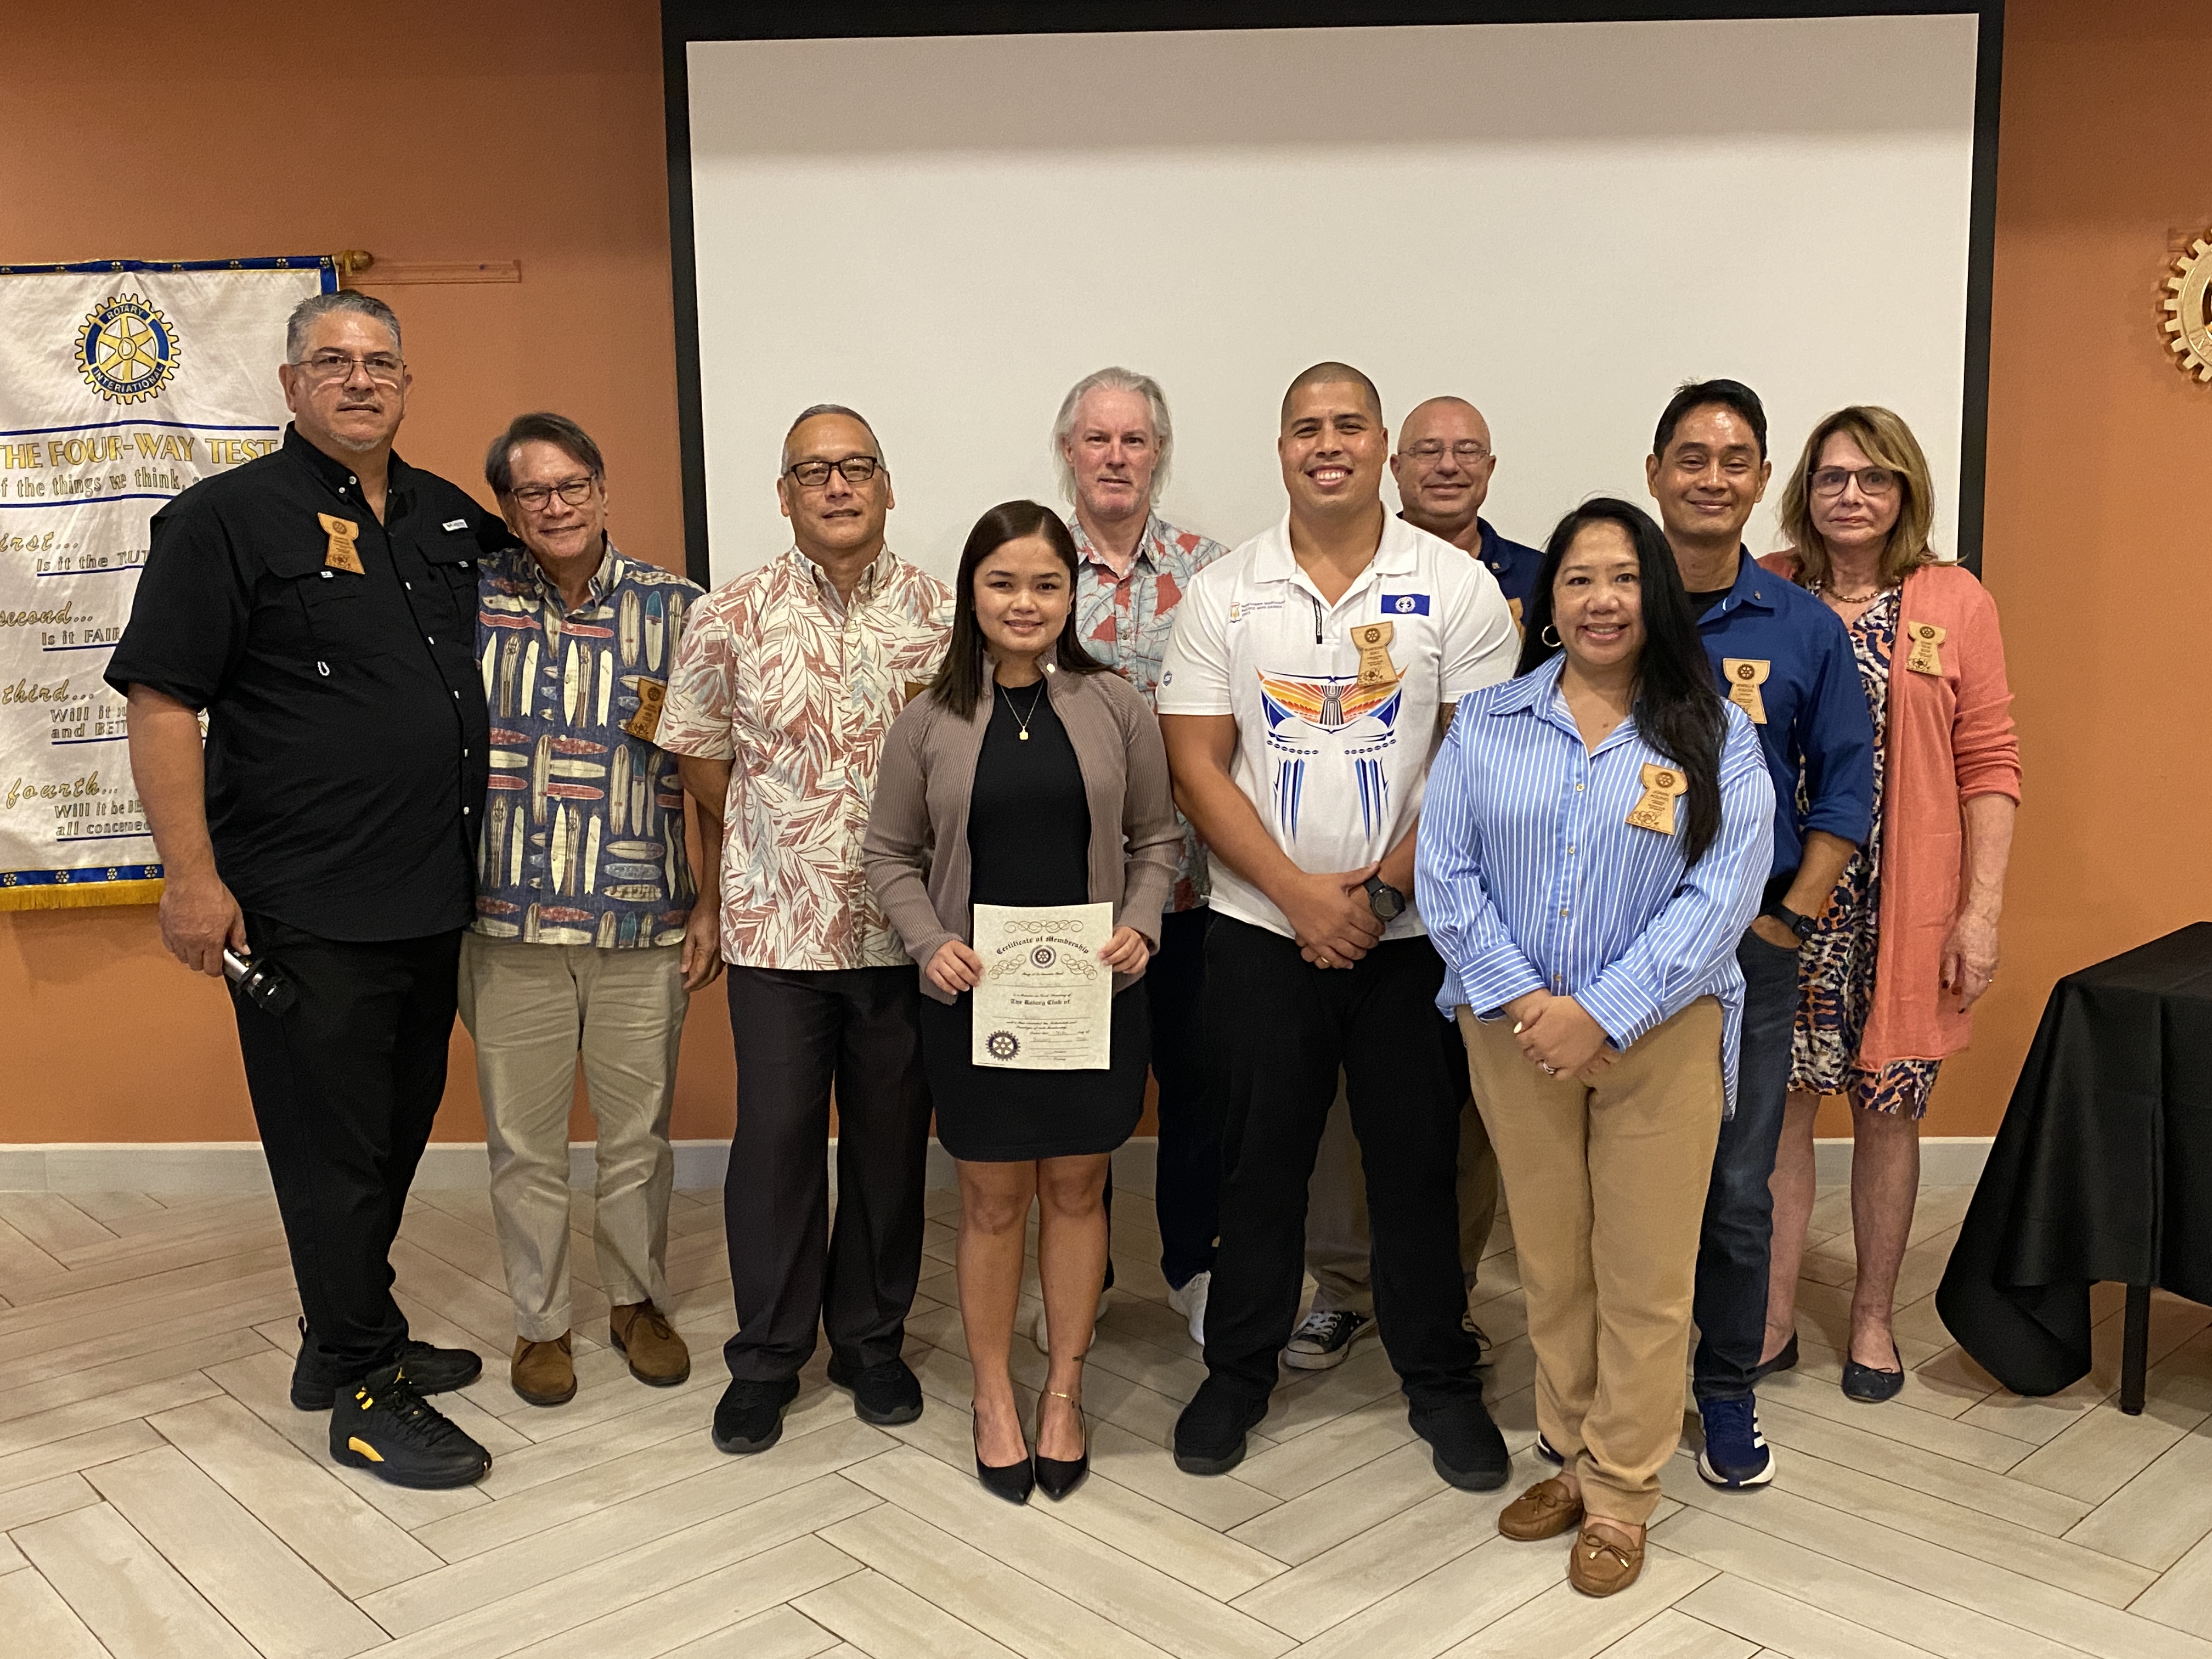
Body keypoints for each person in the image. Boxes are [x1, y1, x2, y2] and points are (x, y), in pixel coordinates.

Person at [109, 289, 504, 1488]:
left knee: (388, 1138)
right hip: (301, 906)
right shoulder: (225, 521)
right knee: (327, 1152)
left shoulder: (444, 518)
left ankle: (339, 1341)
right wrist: (192, 878)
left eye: (381, 361)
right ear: (289, 385)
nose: (360, 380)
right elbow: (164, 701)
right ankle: (367, 1393)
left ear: (406, 382)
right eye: (331, 361)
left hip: (432, 898)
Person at [1159, 362, 1519, 1488]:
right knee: (1259, 1161)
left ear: (1382, 449)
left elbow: (1477, 759)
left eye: (1349, 425)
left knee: (1415, 1166)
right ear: (1282, 451)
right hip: (1261, 930)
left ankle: (1437, 1374)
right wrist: (1304, 898)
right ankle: (1240, 1367)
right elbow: (1195, 767)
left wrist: (1376, 897)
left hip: (1412, 940)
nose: (1329, 443)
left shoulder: (1454, 588)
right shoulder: (1224, 592)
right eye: (1307, 427)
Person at [1421, 498, 1773, 1597]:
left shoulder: (1715, 732)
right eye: (1579, 579)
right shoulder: (1487, 725)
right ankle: (1570, 1454)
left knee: (1647, 1270)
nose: (1601, 599)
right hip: (1514, 1029)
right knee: (1553, 1257)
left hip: (1660, 1035)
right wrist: (1530, 1000)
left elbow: (1724, 896)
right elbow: (1447, 875)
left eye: (1624, 578)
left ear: (1655, 595)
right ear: (1550, 602)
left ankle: (1624, 1486)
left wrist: (1603, 1010)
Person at [865, 500, 1179, 1504]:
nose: (1025, 602)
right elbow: (889, 855)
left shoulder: (1116, 705)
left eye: (1047, 584)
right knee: (995, 1203)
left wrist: (1141, 921)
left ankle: (1065, 1393)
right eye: (1003, 582)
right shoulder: (928, 717)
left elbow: (1158, 841)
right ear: (972, 594)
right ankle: (995, 1394)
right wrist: (930, 945)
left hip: (1095, 997)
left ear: (1071, 596)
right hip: (975, 999)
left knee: (1080, 1193)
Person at [660, 404, 951, 1457]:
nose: (837, 486)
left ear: (886, 485)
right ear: (783, 495)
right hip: (777, 934)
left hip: (906, 939)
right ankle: (770, 1356)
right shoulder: (726, 615)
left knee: (887, 1149)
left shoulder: (943, 614)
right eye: (813, 471)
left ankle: (871, 1342)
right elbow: (701, 757)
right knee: (776, 1147)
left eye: (857, 467)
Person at [1760, 406, 2019, 1402]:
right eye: (1832, 478)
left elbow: (1990, 763)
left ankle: (1871, 1317)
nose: (1852, 495)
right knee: (1778, 1115)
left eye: (1873, 478)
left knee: (1890, 1115)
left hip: (1905, 912)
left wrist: (1980, 911)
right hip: (1790, 907)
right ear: (1806, 492)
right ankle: (1775, 1314)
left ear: (1906, 489)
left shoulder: (1955, 599)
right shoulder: (1770, 587)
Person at [1642, 379, 1874, 1486]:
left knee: (1738, 1184)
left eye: (1735, 460)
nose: (1712, 477)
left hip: (1750, 948)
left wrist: (1788, 921)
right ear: (1655, 474)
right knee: (1623, 1179)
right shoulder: (1605, 598)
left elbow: (1842, 796)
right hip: (1618, 945)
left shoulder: (1803, 629)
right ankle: (1610, 1390)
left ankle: (1725, 1389)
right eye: (1691, 457)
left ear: (1760, 479)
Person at [463, 412, 719, 1407]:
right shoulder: (469, 603)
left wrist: (706, 904)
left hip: (641, 923)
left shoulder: (681, 611)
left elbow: (707, 773)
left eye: (573, 485)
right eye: (534, 492)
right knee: (522, 1144)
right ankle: (540, 1325)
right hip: (504, 924)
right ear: (508, 509)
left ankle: (637, 1303)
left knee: (638, 1136)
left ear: (604, 489)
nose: (557, 506)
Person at [1289, 393, 1539, 1372]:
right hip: (1364, 898)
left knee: (1465, 1116)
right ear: (1395, 465)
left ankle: (1448, 1293)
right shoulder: (1331, 579)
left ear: (1490, 464)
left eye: (1464, 451)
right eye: (1427, 452)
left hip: (1490, 900)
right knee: (1352, 1109)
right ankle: (1346, 1289)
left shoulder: (1536, 581)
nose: (1445, 467)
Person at [1054, 366, 1229, 1347]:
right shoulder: (1028, 561)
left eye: (1134, 441)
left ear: (1158, 452)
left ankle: (1193, 1267)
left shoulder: (1218, 572)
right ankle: (1079, 1274)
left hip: (1200, 888)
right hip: (1069, 896)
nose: (1116, 457)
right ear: (1069, 452)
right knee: (1078, 1093)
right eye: (1097, 440)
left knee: (1201, 1087)